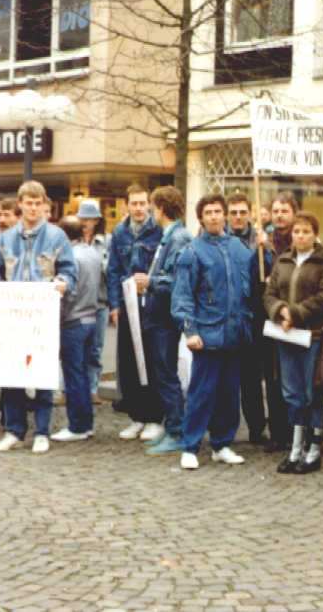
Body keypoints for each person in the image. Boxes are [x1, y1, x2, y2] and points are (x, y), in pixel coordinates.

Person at [0, 181, 78, 454]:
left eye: (38, 203)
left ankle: (42, 431)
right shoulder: (6, 238)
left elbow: (70, 272)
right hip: (12, 317)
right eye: (29, 203)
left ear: (44, 206)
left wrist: (62, 282)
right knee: (12, 373)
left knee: (42, 374)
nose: (34, 208)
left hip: (44, 316)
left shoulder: (57, 237)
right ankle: (14, 430)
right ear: (21, 205)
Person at [172, 194, 252, 470]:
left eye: (219, 211)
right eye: (209, 212)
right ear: (201, 218)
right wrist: (189, 330)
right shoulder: (192, 253)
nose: (215, 216)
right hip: (207, 335)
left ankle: (222, 444)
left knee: (230, 394)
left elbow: (254, 284)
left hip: (235, 334)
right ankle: (190, 446)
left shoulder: (240, 248)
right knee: (201, 393)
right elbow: (182, 296)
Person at [265, 211, 323, 474]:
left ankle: (314, 449)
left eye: (306, 231)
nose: (300, 236)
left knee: (312, 392)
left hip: (313, 335)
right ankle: (295, 449)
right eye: (297, 231)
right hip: (286, 336)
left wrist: (296, 314)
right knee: (292, 393)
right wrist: (281, 311)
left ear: (315, 234)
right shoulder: (283, 260)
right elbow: (270, 293)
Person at [106, 183, 163, 441]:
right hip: (128, 305)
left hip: (152, 305)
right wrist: (115, 304)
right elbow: (114, 270)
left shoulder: (159, 230)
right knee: (129, 361)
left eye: (142, 203)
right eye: (134, 203)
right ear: (126, 205)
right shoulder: (119, 232)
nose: (139, 208)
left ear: (149, 204)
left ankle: (154, 417)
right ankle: (137, 416)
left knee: (151, 360)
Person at [139, 186, 192, 455]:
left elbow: (178, 280)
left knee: (167, 374)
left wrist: (149, 282)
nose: (150, 211)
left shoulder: (179, 238)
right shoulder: (169, 236)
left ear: (160, 207)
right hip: (158, 315)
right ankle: (172, 426)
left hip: (164, 317)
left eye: (152, 205)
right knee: (163, 373)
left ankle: (177, 431)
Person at [51, 215, 101, 442]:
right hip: (92, 317)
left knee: (74, 376)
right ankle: (86, 423)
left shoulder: (71, 257)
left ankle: (78, 426)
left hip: (73, 321)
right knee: (83, 374)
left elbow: (68, 293)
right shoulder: (92, 252)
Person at [256, 191, 298, 452]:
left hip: (295, 317)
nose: (280, 215)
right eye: (276, 211)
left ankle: (297, 431)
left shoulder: (300, 239)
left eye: (285, 210)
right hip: (271, 317)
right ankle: (278, 432)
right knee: (272, 378)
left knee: (293, 379)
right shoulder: (263, 243)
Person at [226, 192, 268, 444]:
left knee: (252, 378)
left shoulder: (260, 240)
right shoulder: (221, 239)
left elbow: (268, 273)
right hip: (229, 315)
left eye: (243, 212)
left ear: (250, 213)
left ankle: (256, 428)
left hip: (254, 316)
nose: (238, 217)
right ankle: (226, 428)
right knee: (227, 378)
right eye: (234, 212)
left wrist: (267, 249)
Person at [77, 199, 109, 405]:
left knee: (95, 349)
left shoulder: (106, 242)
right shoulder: (72, 241)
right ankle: (68, 389)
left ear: (97, 220)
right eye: (83, 218)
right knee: (73, 349)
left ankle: (92, 388)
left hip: (99, 302)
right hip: (77, 305)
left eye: (90, 218)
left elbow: (111, 271)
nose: (86, 222)